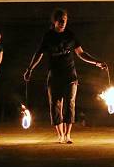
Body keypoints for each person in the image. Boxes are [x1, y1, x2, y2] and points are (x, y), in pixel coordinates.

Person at [24, 8, 108, 144]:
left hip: (70, 75)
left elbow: (81, 53)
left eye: (65, 19)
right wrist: (29, 69)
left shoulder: (71, 35)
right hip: (55, 75)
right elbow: (38, 54)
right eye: (60, 20)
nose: (63, 22)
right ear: (54, 21)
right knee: (55, 105)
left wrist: (97, 62)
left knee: (70, 104)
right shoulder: (48, 36)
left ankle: (68, 135)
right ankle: (60, 135)